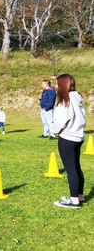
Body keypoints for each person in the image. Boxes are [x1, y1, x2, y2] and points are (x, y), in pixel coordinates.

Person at [50, 74, 86, 209]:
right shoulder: (77, 98)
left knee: (70, 169)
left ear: (62, 85)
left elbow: (60, 121)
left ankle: (74, 201)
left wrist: (53, 129)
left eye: (58, 84)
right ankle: (79, 196)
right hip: (78, 136)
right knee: (76, 167)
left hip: (68, 137)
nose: (57, 87)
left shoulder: (65, 101)